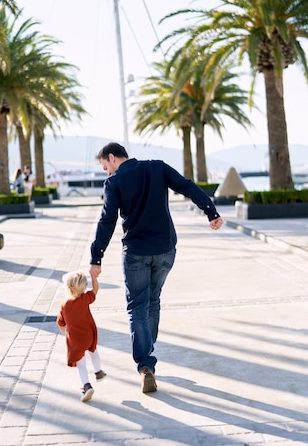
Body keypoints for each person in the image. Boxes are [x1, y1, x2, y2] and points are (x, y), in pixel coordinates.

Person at [89, 142, 224, 394]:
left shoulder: (114, 182)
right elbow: (186, 185)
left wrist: (96, 257)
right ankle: (147, 355)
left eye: (105, 167)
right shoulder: (157, 168)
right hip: (165, 250)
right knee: (153, 300)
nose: (107, 173)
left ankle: (145, 366)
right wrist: (210, 212)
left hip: (136, 253)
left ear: (112, 158)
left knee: (137, 306)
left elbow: (107, 220)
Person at [57, 271, 107, 402]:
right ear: (84, 288)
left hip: (76, 340)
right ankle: (98, 372)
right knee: (93, 351)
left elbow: (61, 324)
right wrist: (94, 279)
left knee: (81, 364)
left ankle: (86, 386)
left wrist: (65, 329)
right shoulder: (85, 299)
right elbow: (95, 291)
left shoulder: (64, 305)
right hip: (89, 335)